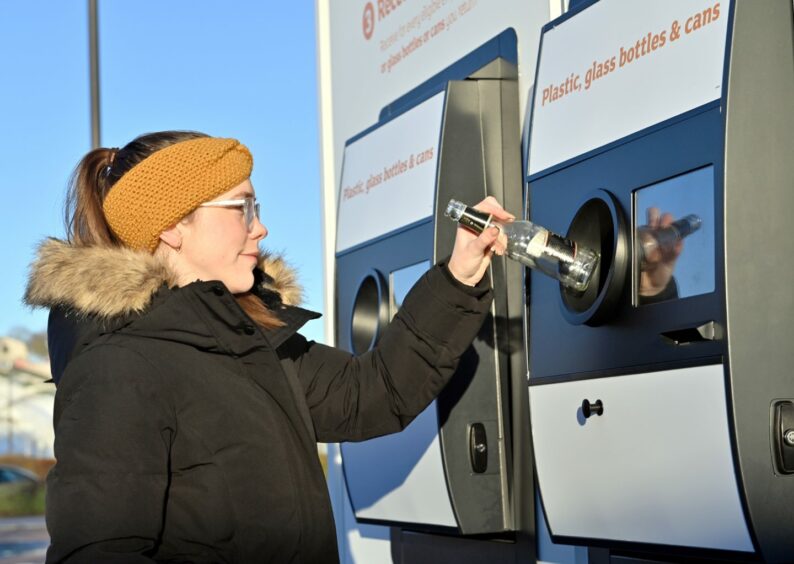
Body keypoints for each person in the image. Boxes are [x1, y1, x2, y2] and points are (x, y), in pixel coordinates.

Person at [24, 131, 512, 563]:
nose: (260, 228)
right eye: (242, 208)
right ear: (172, 226)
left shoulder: (252, 341)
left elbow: (374, 393)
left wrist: (459, 274)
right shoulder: (117, 369)